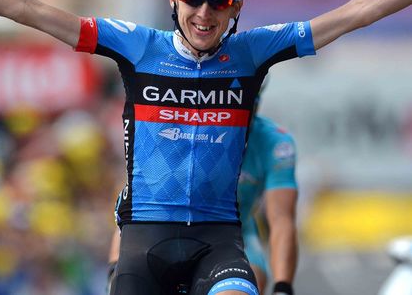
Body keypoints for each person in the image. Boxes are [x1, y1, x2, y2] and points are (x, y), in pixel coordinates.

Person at [0, 0, 411, 294]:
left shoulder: (253, 52)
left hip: (218, 240)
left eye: (221, 1)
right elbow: (28, 7)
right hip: (145, 237)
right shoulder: (138, 46)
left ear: (236, 8)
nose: (204, 12)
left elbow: (356, 13)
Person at [106, 110, 299, 295]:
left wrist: (282, 287)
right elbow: (134, 202)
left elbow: (281, 219)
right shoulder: (181, 129)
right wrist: (114, 270)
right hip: (162, 231)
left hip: (236, 235)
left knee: (254, 279)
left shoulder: (274, 143)